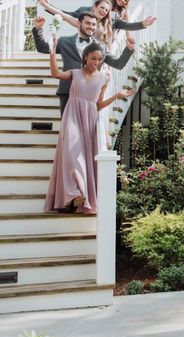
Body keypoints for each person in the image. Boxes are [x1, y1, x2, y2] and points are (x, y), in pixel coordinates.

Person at [44, 37, 133, 213]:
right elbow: (55, 73)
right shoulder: (74, 73)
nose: (96, 62)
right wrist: (52, 51)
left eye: (99, 59)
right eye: (93, 58)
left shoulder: (103, 78)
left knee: (83, 157)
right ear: (85, 57)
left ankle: (76, 198)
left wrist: (116, 96)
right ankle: (75, 193)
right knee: (71, 152)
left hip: (89, 117)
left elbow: (98, 104)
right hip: (72, 115)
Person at [32, 14, 135, 115]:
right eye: (88, 23)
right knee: (68, 127)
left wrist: (128, 49)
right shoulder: (64, 41)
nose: (91, 27)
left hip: (91, 93)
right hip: (68, 90)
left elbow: (118, 64)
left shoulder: (101, 47)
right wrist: (38, 29)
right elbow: (43, 48)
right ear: (78, 23)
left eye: (94, 24)